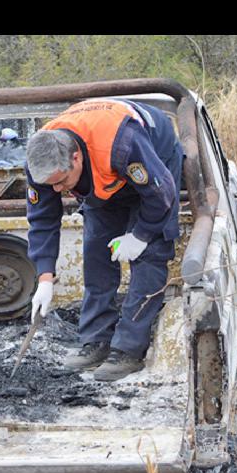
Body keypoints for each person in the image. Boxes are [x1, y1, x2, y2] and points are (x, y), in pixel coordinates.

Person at [25, 98, 182, 382]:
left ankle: (128, 349)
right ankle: (96, 340)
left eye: (61, 182)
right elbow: (42, 219)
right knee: (97, 249)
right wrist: (44, 277)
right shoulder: (41, 160)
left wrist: (140, 235)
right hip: (104, 176)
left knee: (150, 255)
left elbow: (161, 195)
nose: (57, 190)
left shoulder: (123, 142)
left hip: (153, 164)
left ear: (76, 158)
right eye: (51, 185)